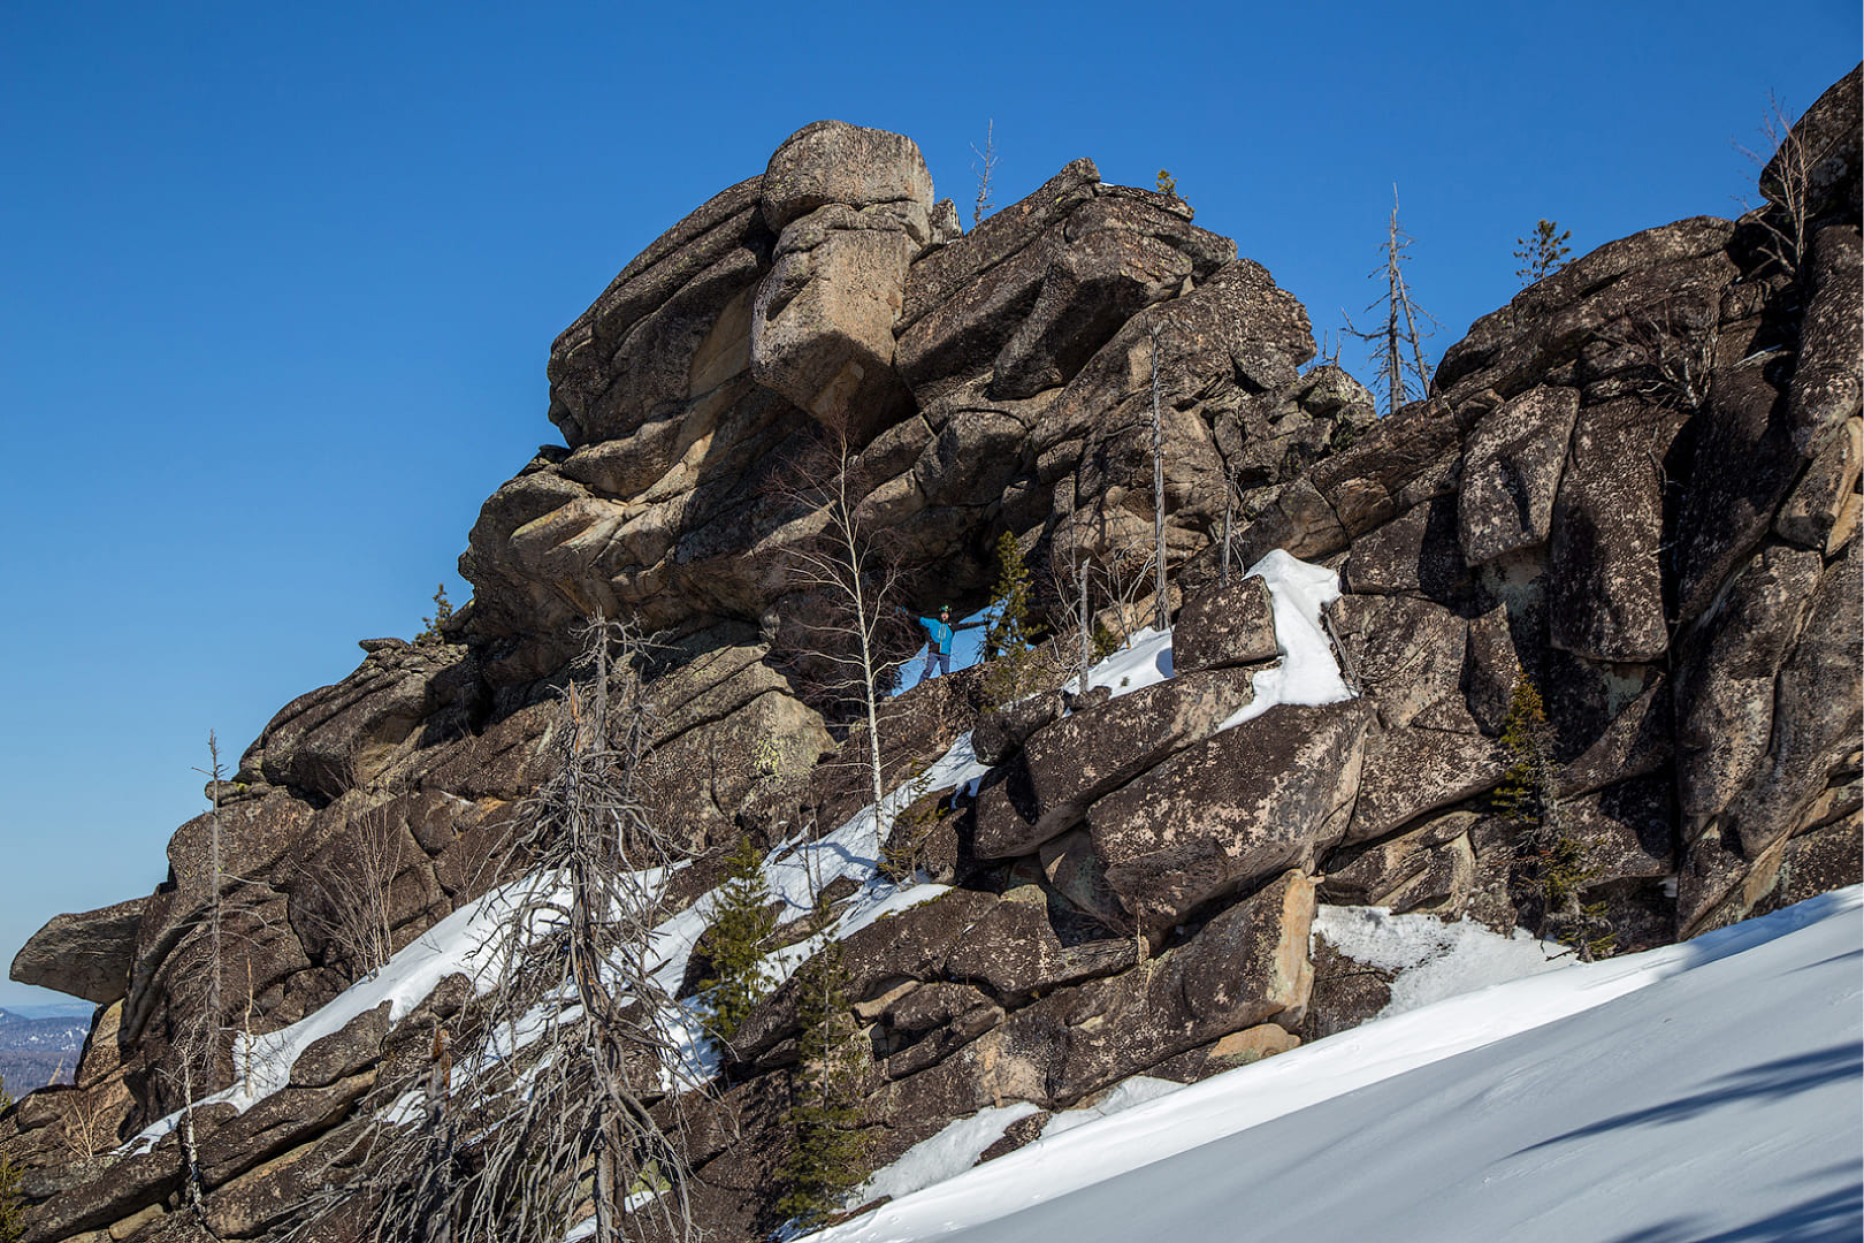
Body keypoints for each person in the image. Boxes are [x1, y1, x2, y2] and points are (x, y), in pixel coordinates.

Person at [914, 606, 957, 685]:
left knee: (945, 674)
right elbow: (920, 619)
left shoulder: (952, 626)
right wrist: (906, 613)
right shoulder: (933, 623)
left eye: (946, 614)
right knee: (928, 670)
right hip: (933, 652)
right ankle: (919, 686)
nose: (944, 615)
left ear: (949, 615)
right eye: (943, 613)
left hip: (945, 654)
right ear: (940, 614)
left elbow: (966, 625)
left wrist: (983, 622)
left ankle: (946, 690)